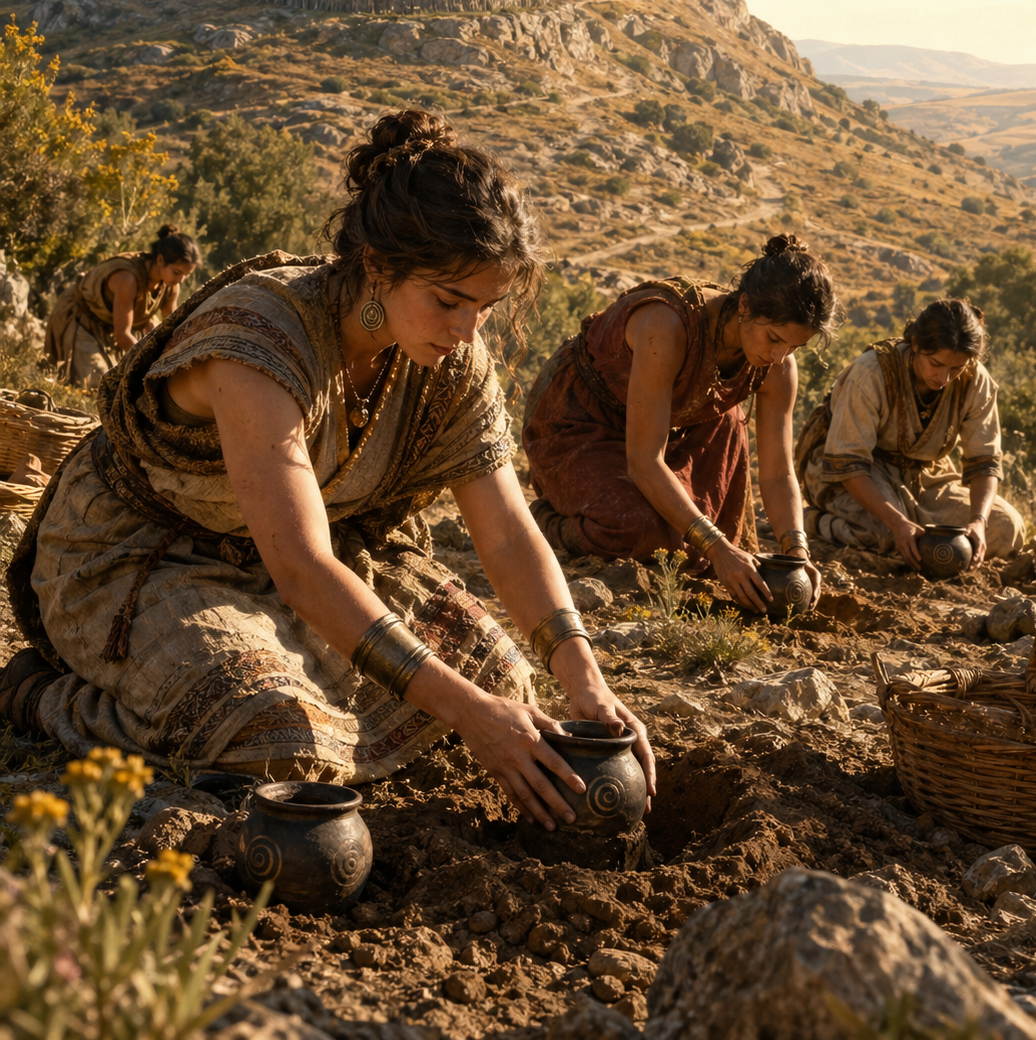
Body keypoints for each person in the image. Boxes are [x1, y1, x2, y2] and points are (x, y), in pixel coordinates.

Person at [4, 111, 654, 830]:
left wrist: (586, 681)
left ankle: (284, 662)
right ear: (378, 266)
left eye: (486, 307)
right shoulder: (261, 338)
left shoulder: (451, 361)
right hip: (141, 559)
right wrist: (470, 717)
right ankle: (40, 695)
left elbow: (503, 532)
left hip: (289, 562)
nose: (468, 330)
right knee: (275, 735)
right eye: (448, 301)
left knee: (504, 677)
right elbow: (303, 567)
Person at [523, 237, 839, 614]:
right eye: (773, 338)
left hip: (679, 423)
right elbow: (643, 459)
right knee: (641, 530)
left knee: (690, 545)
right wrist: (719, 548)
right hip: (584, 419)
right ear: (744, 305)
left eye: (793, 347)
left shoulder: (778, 365)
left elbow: (776, 471)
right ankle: (546, 520)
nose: (778, 356)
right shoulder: (667, 327)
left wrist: (797, 552)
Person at [796, 298, 1025, 567]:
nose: (944, 378)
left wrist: (978, 521)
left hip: (925, 475)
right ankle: (809, 522)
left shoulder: (976, 380)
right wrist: (896, 521)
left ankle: (911, 525)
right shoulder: (870, 371)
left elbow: (985, 462)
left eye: (956, 368)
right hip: (857, 473)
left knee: (1007, 528)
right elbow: (848, 463)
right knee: (886, 535)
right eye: (936, 364)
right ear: (915, 344)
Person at [44, 226, 201, 388]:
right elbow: (123, 335)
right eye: (177, 272)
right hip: (83, 320)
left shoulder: (171, 283)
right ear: (160, 260)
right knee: (98, 386)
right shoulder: (127, 279)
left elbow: (172, 329)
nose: (181, 280)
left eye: (186, 275)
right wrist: (152, 364)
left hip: (115, 324)